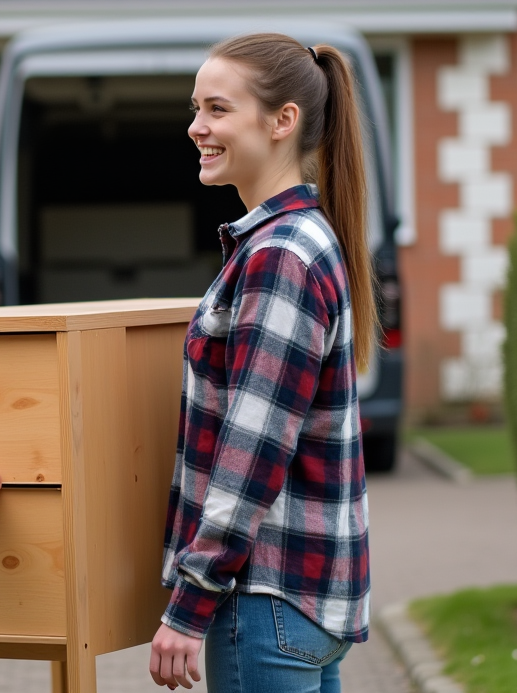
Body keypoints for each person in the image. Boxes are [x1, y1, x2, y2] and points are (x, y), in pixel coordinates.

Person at [148, 34, 375, 693]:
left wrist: (189, 609)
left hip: (265, 599)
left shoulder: (280, 255)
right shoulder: (303, 239)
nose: (197, 127)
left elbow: (252, 452)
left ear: (283, 121)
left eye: (217, 109)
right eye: (196, 108)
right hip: (303, 603)